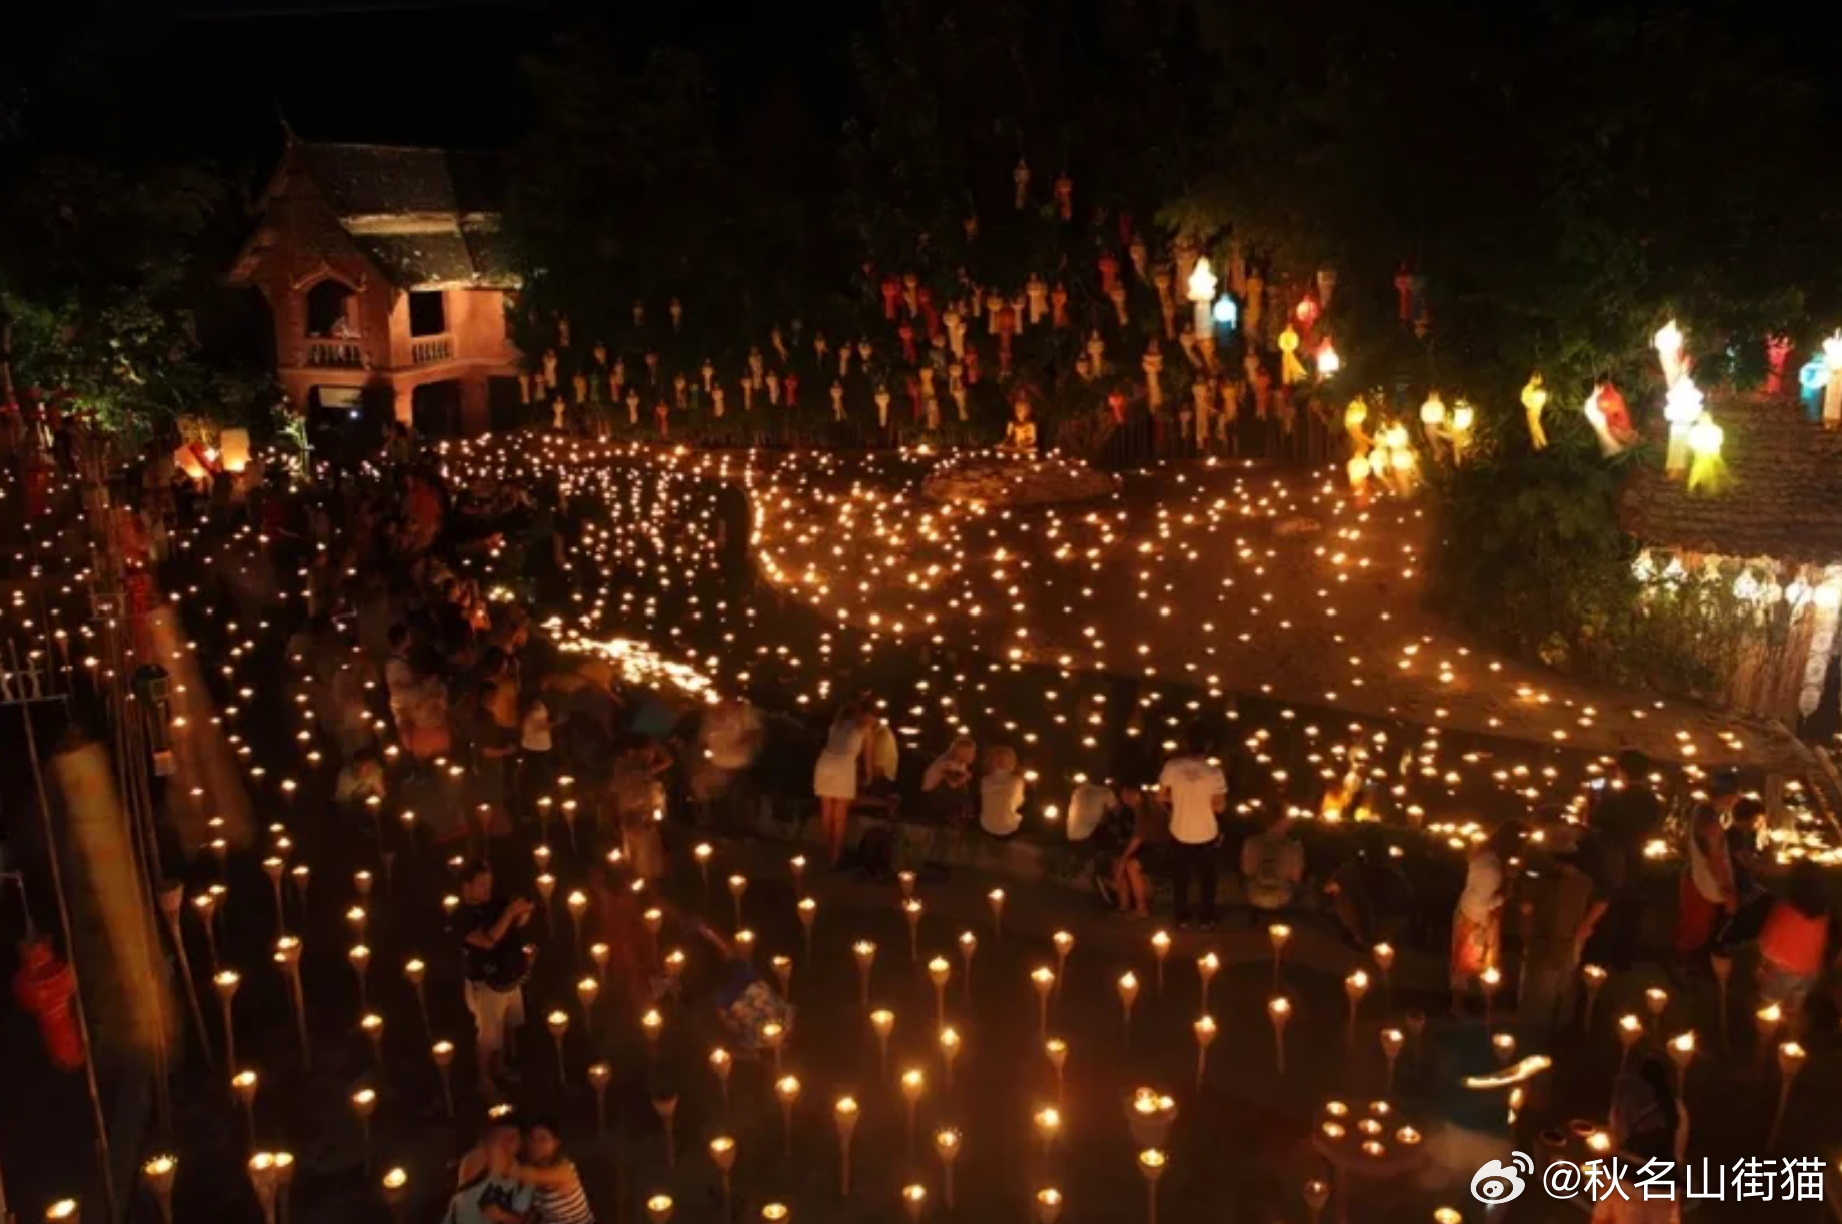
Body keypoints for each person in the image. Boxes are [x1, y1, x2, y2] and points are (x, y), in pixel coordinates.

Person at [452, 862, 533, 1097]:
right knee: (488, 1034)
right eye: (482, 884)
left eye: (489, 883)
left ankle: (500, 1068)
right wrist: (508, 913)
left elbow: (517, 923)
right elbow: (488, 940)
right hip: (485, 983)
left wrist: (522, 911)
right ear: (466, 886)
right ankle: (484, 1079)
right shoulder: (461, 917)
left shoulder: (493, 905)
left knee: (506, 1023)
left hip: (507, 975)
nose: (488, 889)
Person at [1586, 750, 1663, 970]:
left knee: (1607, 905)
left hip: (1612, 857)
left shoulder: (1614, 799)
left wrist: (1593, 800)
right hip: (1636, 857)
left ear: (1621, 771)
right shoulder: (1650, 800)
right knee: (1630, 906)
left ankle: (1598, 958)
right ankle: (1623, 960)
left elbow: (1594, 824)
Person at [1158, 722, 1227, 931]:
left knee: (1181, 879)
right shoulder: (1214, 773)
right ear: (1208, 746)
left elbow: (1160, 795)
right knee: (1207, 879)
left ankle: (1182, 918)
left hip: (1180, 830)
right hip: (1206, 833)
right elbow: (1219, 807)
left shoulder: (1172, 766)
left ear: (1185, 743)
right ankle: (1207, 918)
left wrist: (1179, 798)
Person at [1451, 822, 1523, 1015]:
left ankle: (1472, 1003)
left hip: (1474, 916)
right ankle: (1460, 1007)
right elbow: (1481, 901)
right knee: (1467, 964)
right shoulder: (1490, 869)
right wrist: (1503, 897)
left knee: (1470, 964)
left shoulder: (1486, 857)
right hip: (1476, 920)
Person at [1755, 860, 1833, 1032]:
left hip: (1781, 974)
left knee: (1768, 1010)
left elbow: (1768, 944)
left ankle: (1763, 1046)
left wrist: (1762, 965)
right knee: (1793, 1010)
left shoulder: (1784, 912)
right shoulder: (1823, 915)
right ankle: (1790, 1042)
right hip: (1809, 973)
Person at [1674, 771, 1739, 967]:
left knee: (1693, 926)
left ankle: (1688, 963)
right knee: (1695, 929)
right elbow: (1716, 863)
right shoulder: (1712, 826)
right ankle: (1682, 966)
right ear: (1728, 796)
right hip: (1703, 887)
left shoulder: (1700, 810)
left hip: (1693, 878)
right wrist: (1728, 894)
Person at [447, 1114, 535, 1224]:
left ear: (520, 1142)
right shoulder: (478, 1159)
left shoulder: (521, 1177)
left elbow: (521, 1220)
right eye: (501, 1137)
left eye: (512, 1138)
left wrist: (503, 1216)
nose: (506, 1144)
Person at [814, 703, 872, 866]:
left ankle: (829, 851)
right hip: (844, 766)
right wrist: (868, 776)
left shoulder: (836, 724)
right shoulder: (865, 729)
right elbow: (868, 756)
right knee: (839, 817)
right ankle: (835, 857)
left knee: (826, 811)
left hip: (825, 764)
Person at [511, 1118, 595, 1224]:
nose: (535, 1144)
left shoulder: (564, 1170)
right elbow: (536, 1212)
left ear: (556, 1142)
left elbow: (530, 1175)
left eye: (542, 1139)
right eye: (531, 1138)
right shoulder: (536, 1169)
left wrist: (500, 1159)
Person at [1111, 785, 1166, 919]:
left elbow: (1138, 837)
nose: (1126, 801)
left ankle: (1141, 908)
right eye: (1123, 798)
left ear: (1136, 793)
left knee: (1130, 865)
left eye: (1128, 796)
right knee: (1118, 862)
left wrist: (1124, 858)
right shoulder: (1145, 804)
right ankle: (1124, 906)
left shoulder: (1144, 807)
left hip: (1162, 848)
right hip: (1152, 846)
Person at [1240, 808, 1305, 919]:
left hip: (1255, 894)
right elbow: (1296, 878)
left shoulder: (1251, 842)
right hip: (1281, 896)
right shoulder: (1293, 847)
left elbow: (1246, 871)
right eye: (1289, 817)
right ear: (1281, 821)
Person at [920, 737, 977, 825]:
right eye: (971, 752)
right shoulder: (949, 765)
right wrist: (961, 780)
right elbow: (950, 786)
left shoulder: (959, 765)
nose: (972, 756)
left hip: (944, 812)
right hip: (939, 812)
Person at [979, 745, 1027, 838]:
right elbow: (1019, 802)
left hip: (990, 824)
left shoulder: (985, 780)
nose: (1001, 761)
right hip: (1004, 825)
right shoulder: (1017, 781)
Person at [1065, 779, 1118, 844]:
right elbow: (1115, 809)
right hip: (1089, 835)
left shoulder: (1078, 791)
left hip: (1072, 834)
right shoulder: (1105, 792)